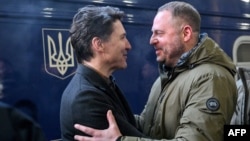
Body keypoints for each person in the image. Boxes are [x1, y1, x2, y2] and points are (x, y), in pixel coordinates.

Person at [73, 1, 238, 141]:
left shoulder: (211, 79)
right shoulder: (166, 78)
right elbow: (148, 125)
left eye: (159, 33)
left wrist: (120, 140)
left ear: (186, 33)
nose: (152, 40)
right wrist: (106, 115)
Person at [59, 5, 145, 141]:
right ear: (99, 44)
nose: (128, 45)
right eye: (122, 38)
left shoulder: (101, 84)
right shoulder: (86, 98)